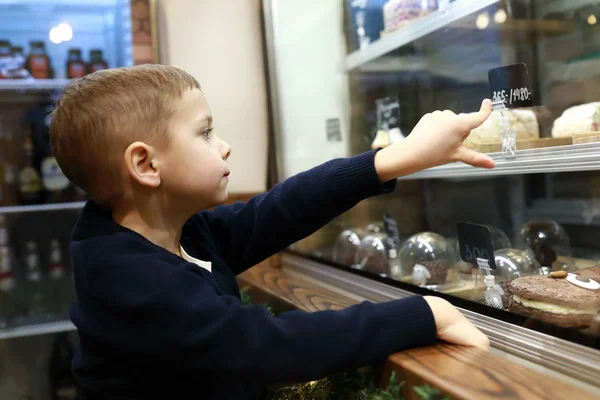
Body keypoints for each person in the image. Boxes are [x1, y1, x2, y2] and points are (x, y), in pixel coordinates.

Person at [50, 64, 492, 399]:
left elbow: (278, 210)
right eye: (204, 133)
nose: (223, 145)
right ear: (146, 165)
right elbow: (264, 347)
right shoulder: (132, 281)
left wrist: (396, 158)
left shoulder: (180, 232)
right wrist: (422, 314)